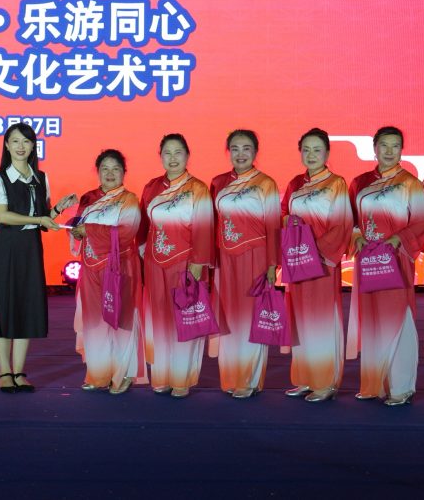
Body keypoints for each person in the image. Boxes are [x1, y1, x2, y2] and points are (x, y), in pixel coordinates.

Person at [0, 122, 77, 393]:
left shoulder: (40, 177)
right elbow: (2, 216)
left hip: (30, 249)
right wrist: (40, 219)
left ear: (34, 146)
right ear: (6, 145)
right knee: (3, 308)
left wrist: (58, 208)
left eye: (26, 141)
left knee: (26, 306)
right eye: (15, 141)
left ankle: (19, 371)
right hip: (5, 250)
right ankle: (4, 371)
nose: (21, 146)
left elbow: (43, 220)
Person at [346, 126, 424, 406]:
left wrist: (398, 239)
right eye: (384, 145)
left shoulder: (410, 183)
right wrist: (357, 236)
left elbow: (421, 221)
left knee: (399, 317)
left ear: (402, 150)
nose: (389, 151)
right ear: (375, 148)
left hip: (396, 259)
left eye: (395, 146)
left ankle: (401, 387)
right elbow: (350, 219)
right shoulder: (359, 183)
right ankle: (375, 383)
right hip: (368, 260)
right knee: (372, 319)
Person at [137, 133, 214, 398]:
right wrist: (142, 252)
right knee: (159, 318)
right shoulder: (152, 187)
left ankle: (182, 378)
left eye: (178, 152)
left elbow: (204, 228)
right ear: (160, 156)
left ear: (187, 156)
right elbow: (142, 225)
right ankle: (162, 375)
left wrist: (197, 265)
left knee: (185, 319)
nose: (172, 158)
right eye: (167, 153)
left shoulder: (198, 189)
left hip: (185, 263)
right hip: (155, 263)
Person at [281, 128, 353, 402]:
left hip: (322, 262)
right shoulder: (295, 183)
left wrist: (314, 250)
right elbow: (283, 212)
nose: (311, 155)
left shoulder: (336, 184)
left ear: (327, 153)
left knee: (322, 320)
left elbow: (342, 224)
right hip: (298, 260)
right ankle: (304, 378)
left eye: (317, 150)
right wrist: (288, 223)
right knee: (300, 319)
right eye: (306, 150)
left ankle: (325, 382)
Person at [209, 130, 280, 399]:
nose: (241, 154)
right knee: (228, 317)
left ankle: (249, 379)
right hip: (225, 258)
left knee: (252, 317)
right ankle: (230, 376)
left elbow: (273, 225)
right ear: (228, 152)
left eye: (247, 148)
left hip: (256, 257)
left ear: (255, 152)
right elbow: (211, 222)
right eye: (235, 148)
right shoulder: (218, 183)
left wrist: (272, 264)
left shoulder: (265, 183)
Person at [69, 149, 146, 395]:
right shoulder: (88, 198)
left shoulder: (129, 200)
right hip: (91, 268)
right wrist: (75, 230)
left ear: (124, 172)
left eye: (115, 169)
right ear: (98, 172)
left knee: (121, 320)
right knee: (95, 321)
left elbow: (127, 231)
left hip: (120, 267)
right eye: (105, 169)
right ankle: (98, 373)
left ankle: (123, 374)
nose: (110, 173)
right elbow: (78, 227)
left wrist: (89, 230)